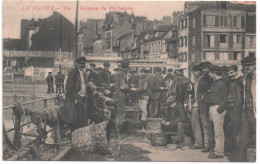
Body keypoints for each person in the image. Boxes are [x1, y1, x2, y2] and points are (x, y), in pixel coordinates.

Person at [236, 55, 256, 162]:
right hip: (246, 110)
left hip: (255, 112)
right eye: (244, 66)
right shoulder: (246, 78)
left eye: (249, 66)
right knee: (242, 138)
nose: (246, 68)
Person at [207, 65, 229, 159]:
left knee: (218, 131)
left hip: (218, 108)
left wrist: (219, 109)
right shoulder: (215, 82)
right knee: (216, 130)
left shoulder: (223, 82)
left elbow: (226, 97)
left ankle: (219, 152)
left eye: (210, 72)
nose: (209, 74)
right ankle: (217, 150)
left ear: (214, 73)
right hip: (213, 108)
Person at [62, 57, 88, 131]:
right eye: (81, 63)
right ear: (77, 64)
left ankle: (80, 133)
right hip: (77, 98)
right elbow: (68, 88)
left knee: (82, 118)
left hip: (83, 97)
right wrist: (74, 98)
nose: (82, 65)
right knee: (76, 118)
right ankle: (74, 134)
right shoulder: (73, 73)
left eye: (84, 63)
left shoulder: (83, 73)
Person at [224, 65, 244, 156]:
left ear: (236, 71)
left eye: (231, 72)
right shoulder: (232, 81)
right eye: (228, 73)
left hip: (235, 110)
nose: (230, 75)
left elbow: (239, 98)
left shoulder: (239, 81)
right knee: (230, 130)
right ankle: (233, 150)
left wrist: (236, 109)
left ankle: (236, 151)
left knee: (236, 130)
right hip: (230, 108)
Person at [197, 62, 214, 153]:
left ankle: (214, 146)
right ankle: (208, 145)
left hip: (213, 104)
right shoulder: (201, 80)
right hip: (204, 105)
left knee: (214, 125)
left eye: (206, 68)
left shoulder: (215, 78)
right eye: (203, 69)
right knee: (205, 125)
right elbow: (198, 94)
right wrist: (200, 104)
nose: (205, 70)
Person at [113, 59, 133, 131]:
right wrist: (129, 89)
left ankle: (117, 128)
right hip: (120, 96)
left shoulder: (118, 73)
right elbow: (122, 87)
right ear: (127, 67)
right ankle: (119, 129)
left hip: (116, 95)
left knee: (118, 112)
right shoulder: (122, 74)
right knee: (120, 113)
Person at [189, 64, 203, 149]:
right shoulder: (197, 80)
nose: (193, 73)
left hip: (198, 105)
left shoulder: (200, 81)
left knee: (196, 124)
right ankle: (199, 142)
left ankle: (198, 143)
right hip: (196, 104)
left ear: (198, 71)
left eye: (195, 71)